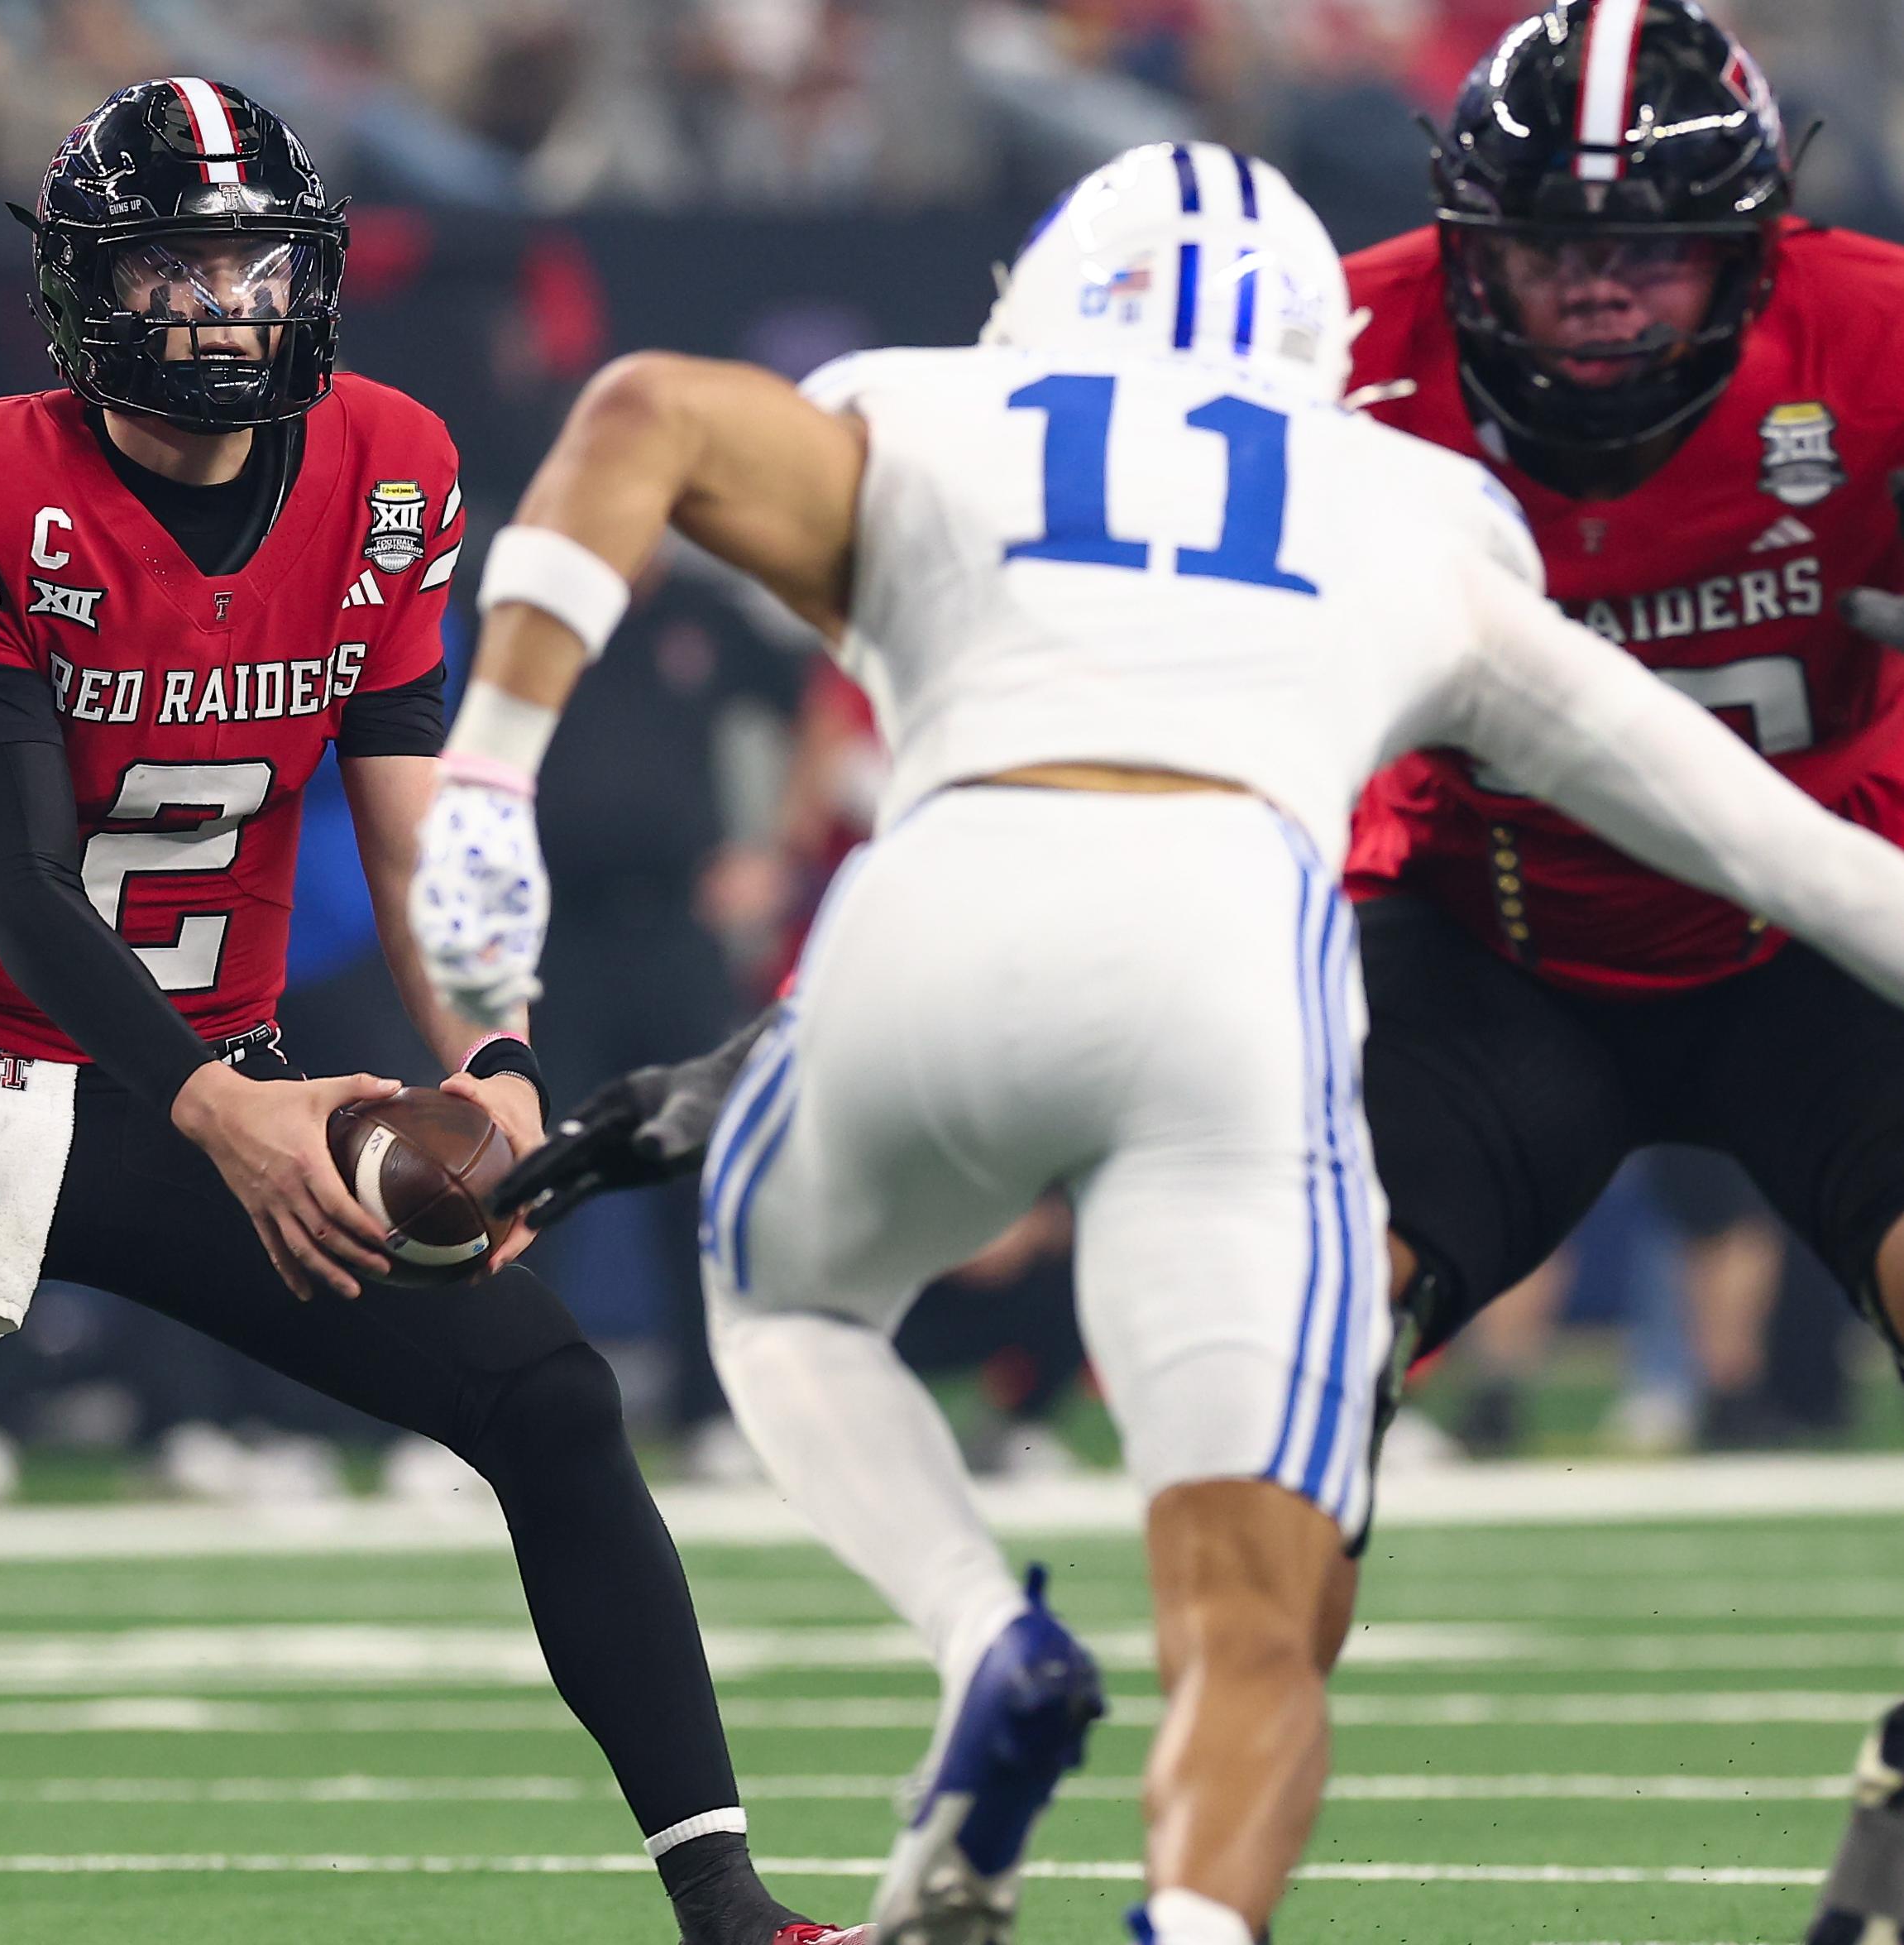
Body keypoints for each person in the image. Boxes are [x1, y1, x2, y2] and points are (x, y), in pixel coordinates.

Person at [416, 141, 1904, 1945]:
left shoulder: (921, 408)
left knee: (792, 1307)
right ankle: (1195, 1920)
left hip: (938, 903)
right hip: (1232, 973)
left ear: (1037, 303)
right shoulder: (1421, 508)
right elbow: (1784, 855)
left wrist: (492, 775)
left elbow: (644, 405)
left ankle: (982, 1626)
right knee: (1252, 1615)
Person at [0, 77, 873, 1945]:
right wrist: (233, 1108)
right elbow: (18, 885)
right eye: (176, 262)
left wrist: (499, 1053)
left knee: (546, 1395)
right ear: (83, 288)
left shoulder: (386, 465)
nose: (218, 302)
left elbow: (414, 814)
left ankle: (727, 1901)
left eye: (246, 260)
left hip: (219, 1079)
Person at [1323, 6, 1904, 1929]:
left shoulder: (1876, 337)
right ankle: (1209, 1858)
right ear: (1462, 246)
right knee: (1288, 1363)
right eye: (1552, 246)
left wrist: (1847, 824)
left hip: (1807, 934)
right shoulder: (1332, 351)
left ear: (1752, 250)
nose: (1595, 293)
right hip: (1492, 940)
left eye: (1648, 245)